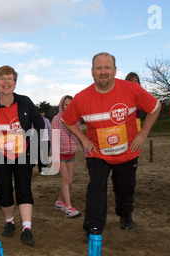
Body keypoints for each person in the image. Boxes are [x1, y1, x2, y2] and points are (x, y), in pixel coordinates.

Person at [62, 52, 161, 241]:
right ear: (92, 72)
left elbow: (155, 107)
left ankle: (125, 214)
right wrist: (83, 139)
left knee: (125, 188)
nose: (103, 72)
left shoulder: (131, 89)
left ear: (115, 70)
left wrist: (143, 133)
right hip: (97, 153)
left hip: (127, 152)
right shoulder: (82, 97)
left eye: (107, 67)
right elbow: (67, 120)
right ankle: (93, 228)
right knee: (96, 188)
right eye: (99, 68)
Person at [0, 65, 45, 246]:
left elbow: (39, 124)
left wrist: (32, 145)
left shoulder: (25, 102)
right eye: (2, 79)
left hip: (23, 154)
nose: (6, 82)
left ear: (15, 82)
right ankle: (10, 223)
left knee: (24, 189)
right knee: (4, 189)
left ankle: (27, 229)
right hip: (0, 155)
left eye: (10, 78)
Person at [51, 95, 87, 218]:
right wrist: (55, 159)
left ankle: (59, 202)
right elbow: (54, 139)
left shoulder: (76, 120)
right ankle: (68, 208)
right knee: (66, 180)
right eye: (66, 104)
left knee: (70, 182)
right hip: (60, 155)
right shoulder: (56, 119)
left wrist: (87, 155)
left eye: (71, 105)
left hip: (71, 154)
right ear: (62, 105)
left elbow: (82, 138)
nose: (69, 107)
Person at [38, 107, 51, 174]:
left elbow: (50, 130)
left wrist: (51, 140)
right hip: (38, 141)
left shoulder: (46, 120)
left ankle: (44, 167)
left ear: (44, 113)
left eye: (42, 112)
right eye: (40, 112)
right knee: (39, 155)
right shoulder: (34, 121)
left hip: (46, 140)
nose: (41, 114)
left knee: (46, 155)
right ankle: (40, 169)